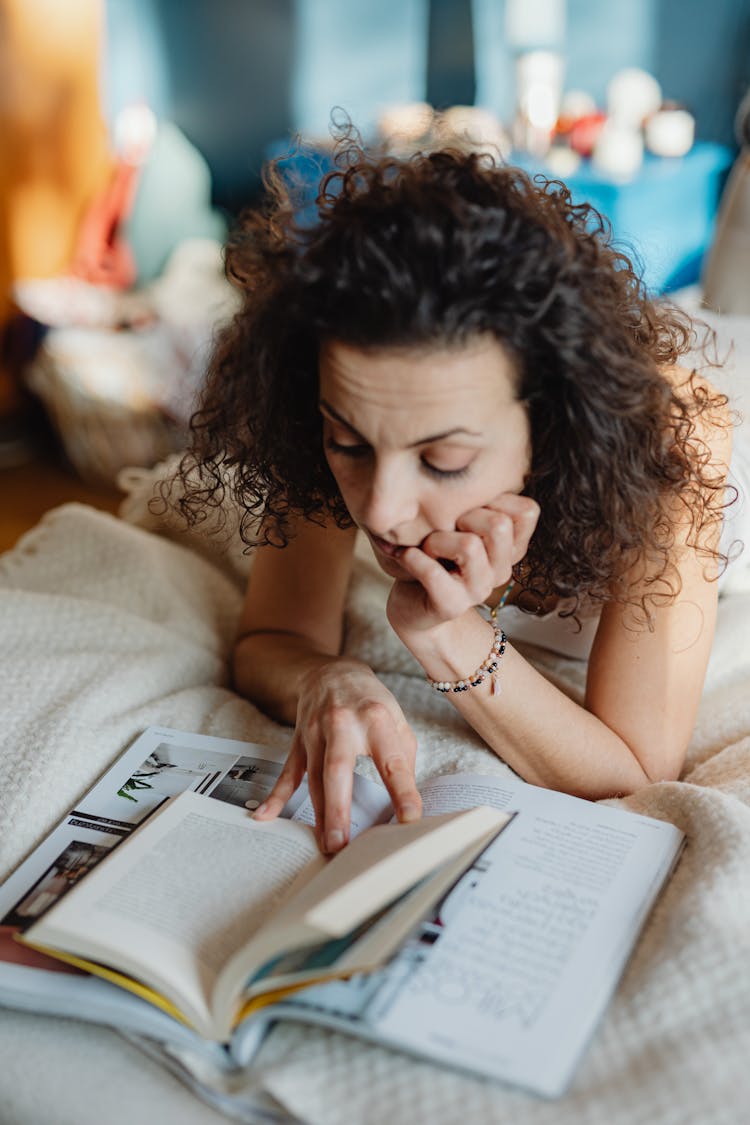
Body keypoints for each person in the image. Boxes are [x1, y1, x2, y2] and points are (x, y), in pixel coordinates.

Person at [174, 141, 738, 855]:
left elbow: (633, 770)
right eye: (348, 445)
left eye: (444, 460)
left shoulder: (672, 443)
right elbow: (270, 640)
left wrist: (444, 630)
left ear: (550, 423)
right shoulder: (361, 387)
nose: (380, 511)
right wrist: (328, 675)